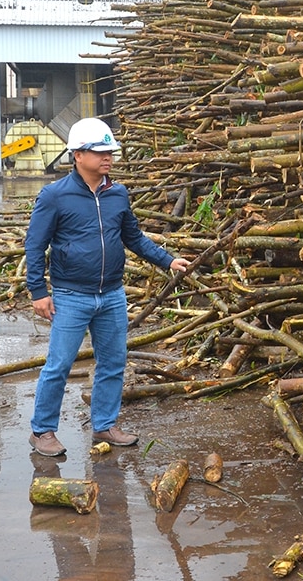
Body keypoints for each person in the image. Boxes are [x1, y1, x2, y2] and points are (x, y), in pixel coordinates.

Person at [25, 117, 190, 457]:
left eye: (110, 151)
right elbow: (34, 245)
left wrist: (167, 260)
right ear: (78, 155)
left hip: (112, 294)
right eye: (100, 152)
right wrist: (38, 291)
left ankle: (105, 424)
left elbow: (133, 237)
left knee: (113, 362)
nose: (108, 157)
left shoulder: (117, 193)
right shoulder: (55, 196)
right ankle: (42, 431)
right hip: (71, 295)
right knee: (59, 365)